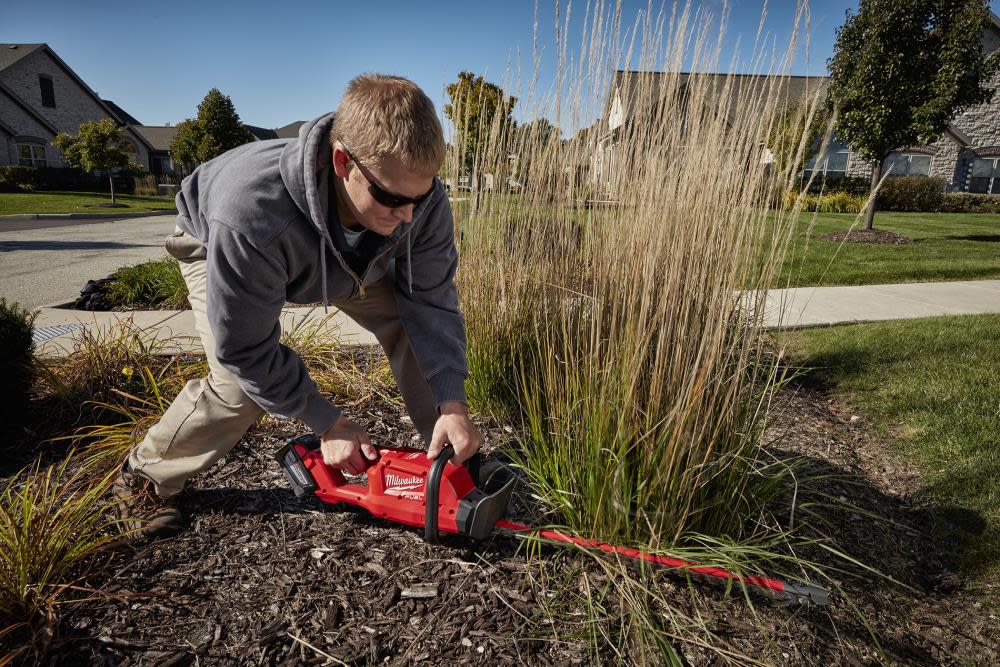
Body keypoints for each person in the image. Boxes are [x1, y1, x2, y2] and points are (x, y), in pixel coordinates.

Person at [115, 74, 484, 538]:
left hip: (350, 257)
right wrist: (326, 421)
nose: (409, 215)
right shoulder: (252, 212)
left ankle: (450, 461)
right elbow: (245, 348)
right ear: (342, 161)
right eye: (392, 198)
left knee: (412, 326)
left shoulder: (413, 201)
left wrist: (453, 403)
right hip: (219, 243)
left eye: (421, 196)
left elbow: (431, 303)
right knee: (239, 386)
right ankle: (146, 476)